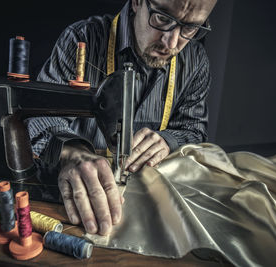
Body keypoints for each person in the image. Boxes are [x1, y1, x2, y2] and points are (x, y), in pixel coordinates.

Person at [26, 0, 217, 236]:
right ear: (137, 2)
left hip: (147, 202)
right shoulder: (81, 40)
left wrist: (169, 140)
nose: (172, 43)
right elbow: (38, 117)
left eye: (190, 28)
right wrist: (70, 152)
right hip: (72, 193)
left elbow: (194, 130)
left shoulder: (195, 61)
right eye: (163, 19)